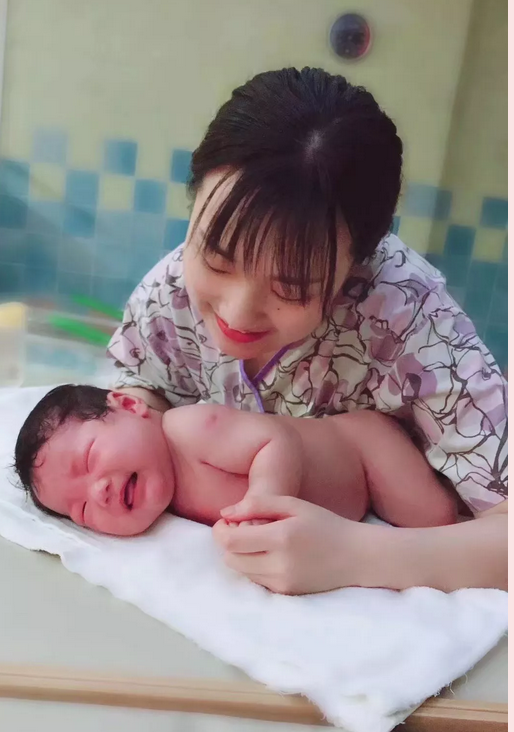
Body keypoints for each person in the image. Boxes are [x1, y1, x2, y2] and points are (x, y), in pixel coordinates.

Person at [106, 67, 507, 594]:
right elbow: (136, 394)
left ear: (357, 264)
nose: (237, 313)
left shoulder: (409, 321)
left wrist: (355, 555)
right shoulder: (169, 295)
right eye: (217, 257)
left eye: (291, 287)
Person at [13, 383, 456, 540]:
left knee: (435, 519)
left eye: (89, 458)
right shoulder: (167, 504)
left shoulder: (189, 429)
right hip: (355, 501)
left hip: (363, 449)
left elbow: (275, 440)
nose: (99, 491)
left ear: (129, 405)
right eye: (82, 510)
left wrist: (265, 499)